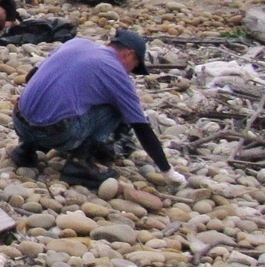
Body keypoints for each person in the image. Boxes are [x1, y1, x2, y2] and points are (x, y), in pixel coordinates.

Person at [10, 31, 186, 189]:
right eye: (134, 66)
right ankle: (79, 163)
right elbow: (140, 126)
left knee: (52, 103)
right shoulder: (116, 71)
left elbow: (31, 76)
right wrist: (167, 171)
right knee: (118, 109)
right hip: (55, 133)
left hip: (19, 120)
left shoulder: (77, 43)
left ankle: (26, 148)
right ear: (129, 54)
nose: (131, 72)